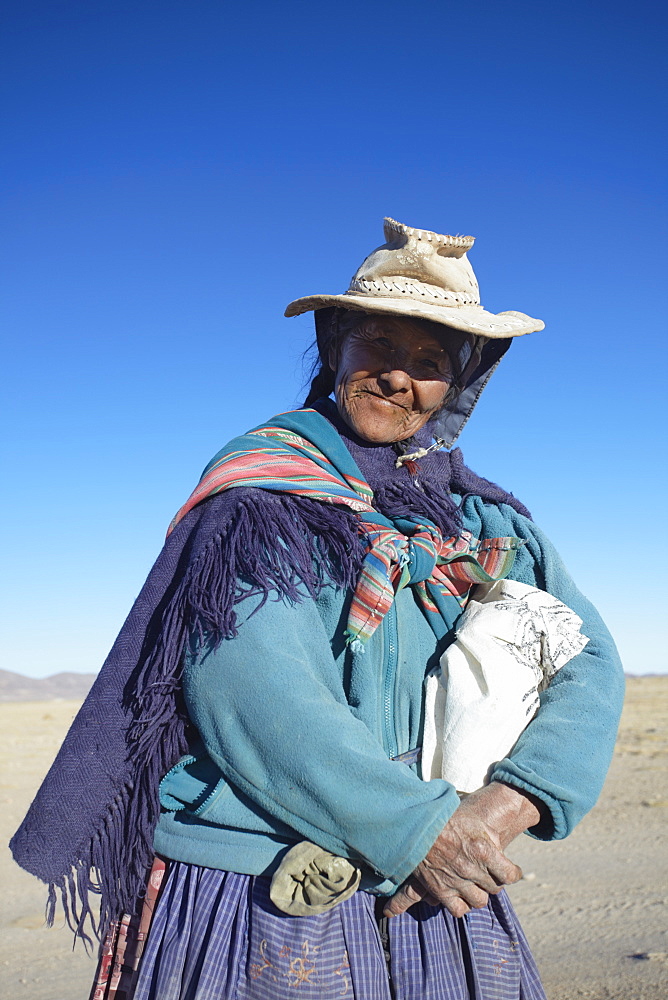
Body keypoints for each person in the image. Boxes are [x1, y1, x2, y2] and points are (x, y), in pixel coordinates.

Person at [11, 217, 624, 1000]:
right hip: (270, 873)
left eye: (431, 361)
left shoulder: (484, 519)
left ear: (458, 384)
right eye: (379, 346)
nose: (401, 377)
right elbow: (253, 685)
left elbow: (589, 660)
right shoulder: (267, 496)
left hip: (443, 867)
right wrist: (418, 830)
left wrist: (515, 800)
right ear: (336, 347)